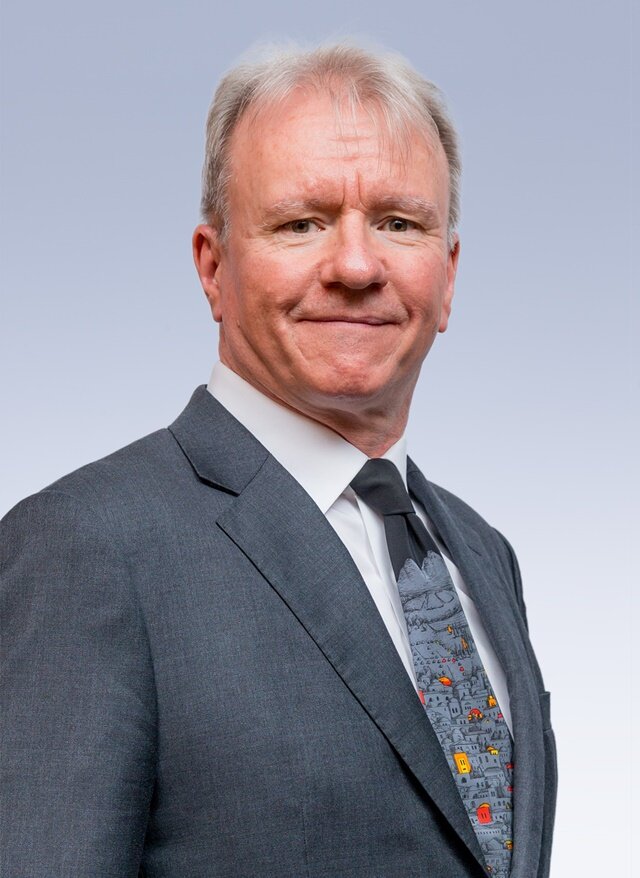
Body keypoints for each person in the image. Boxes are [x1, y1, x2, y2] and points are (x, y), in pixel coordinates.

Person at [0, 43, 556, 878]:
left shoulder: (481, 554)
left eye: (399, 223)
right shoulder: (86, 549)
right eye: (302, 223)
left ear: (447, 278)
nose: (357, 265)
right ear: (213, 267)